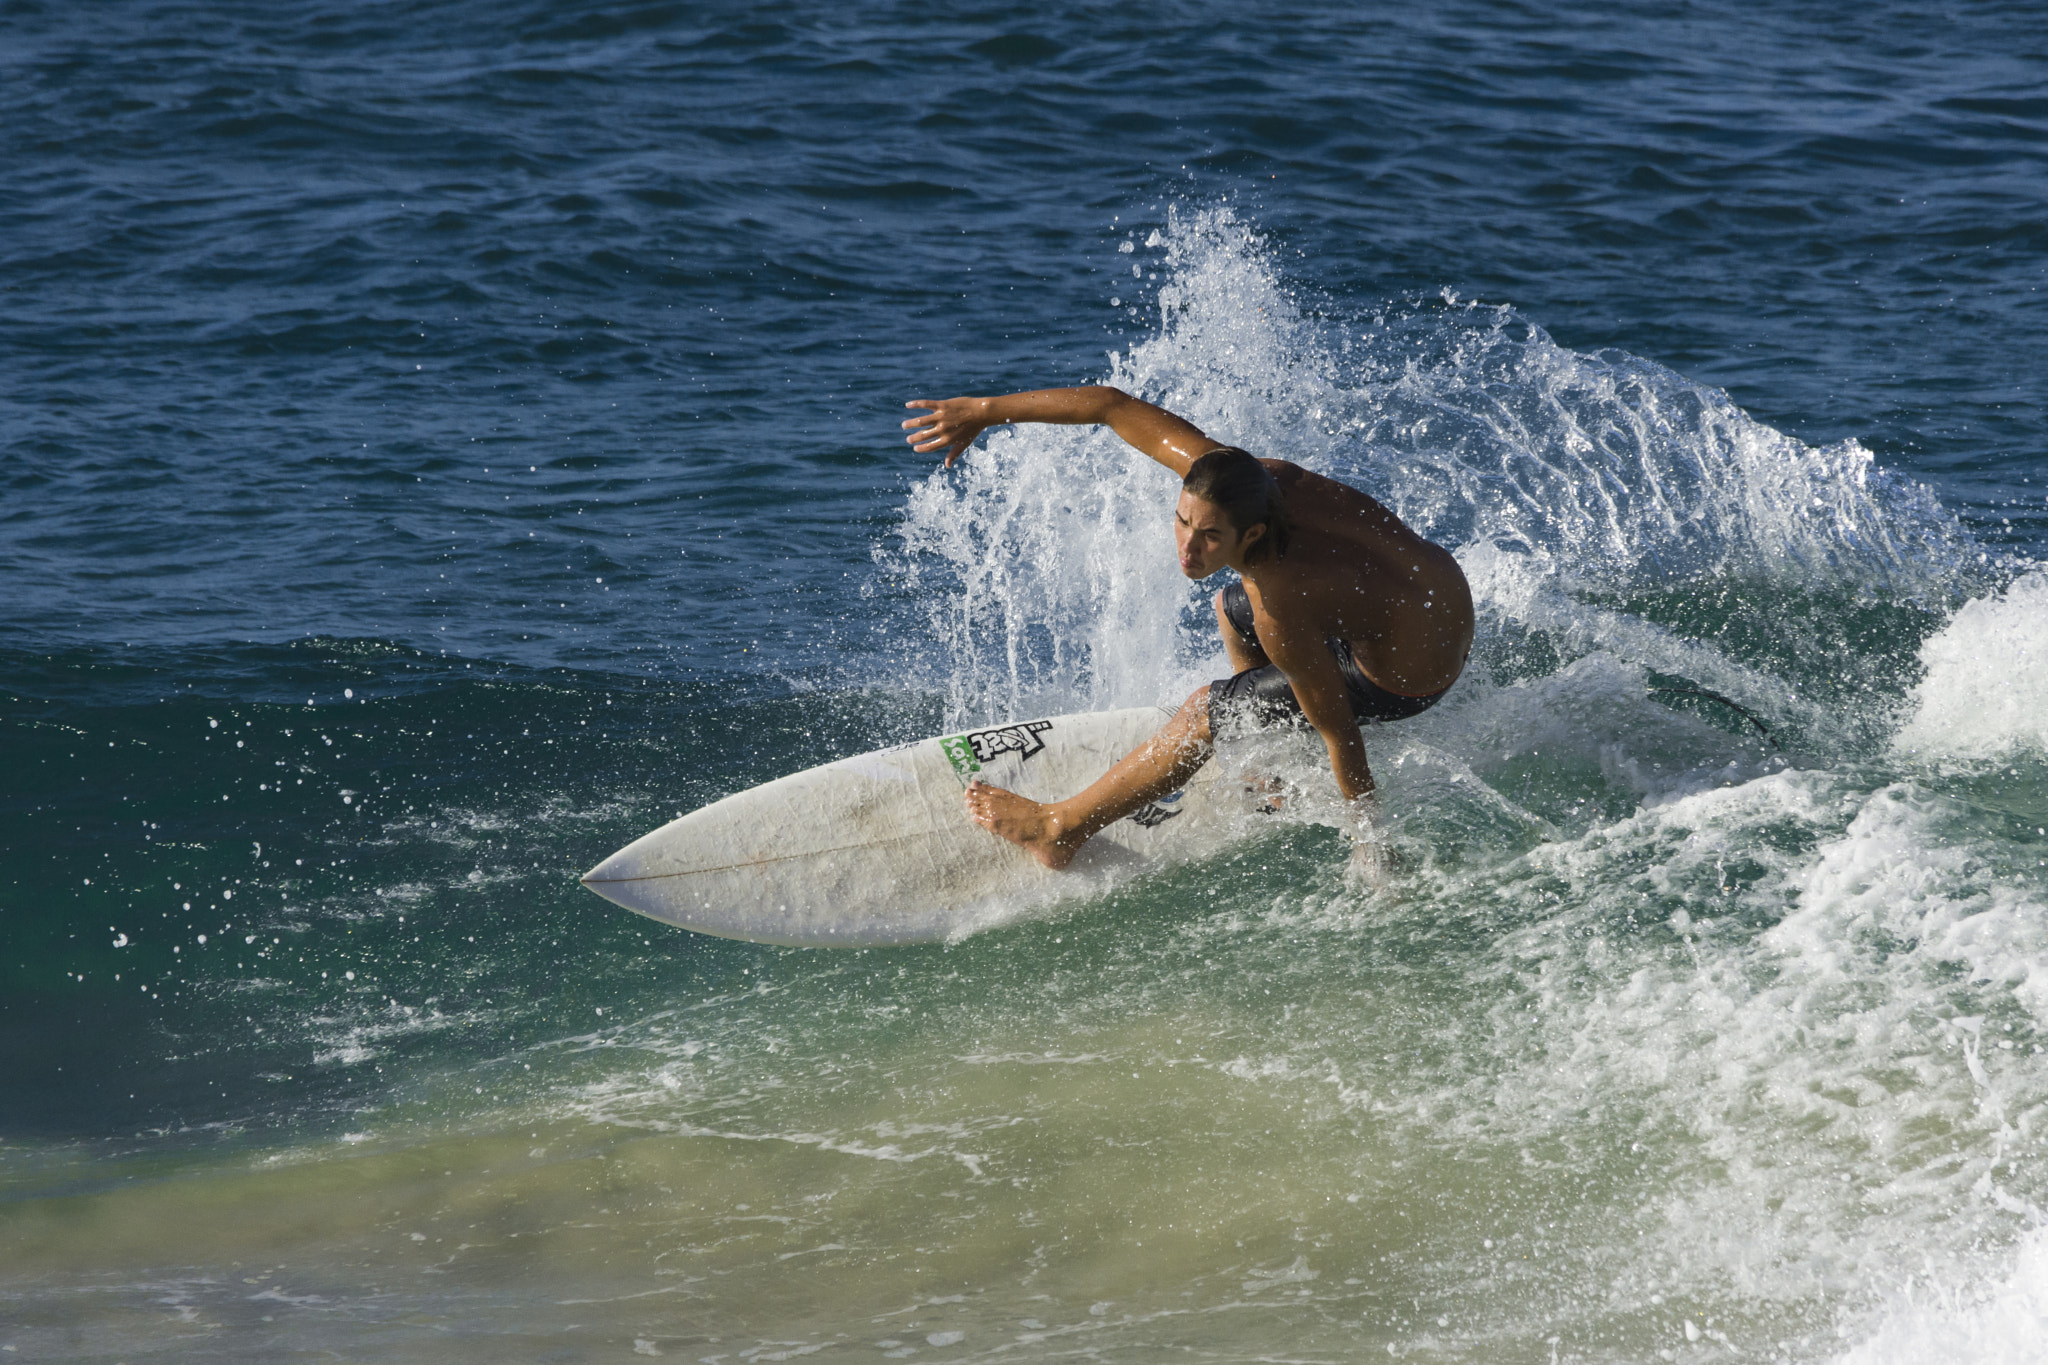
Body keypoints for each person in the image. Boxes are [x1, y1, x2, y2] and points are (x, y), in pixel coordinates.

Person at [902, 385, 1473, 880]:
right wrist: (983, 409)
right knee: (1228, 608)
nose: (1187, 548)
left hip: (1405, 674)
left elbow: (1341, 733)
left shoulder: (1280, 602)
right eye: (1182, 521)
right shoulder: (1233, 477)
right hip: (1439, 595)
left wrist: (1368, 842)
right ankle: (1265, 744)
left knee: (1204, 710)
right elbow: (1109, 405)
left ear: (1251, 535)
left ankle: (1060, 829)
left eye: (1208, 538)